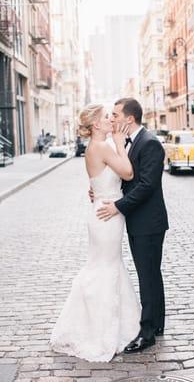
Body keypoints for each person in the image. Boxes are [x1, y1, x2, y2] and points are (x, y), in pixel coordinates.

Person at [50, 104, 140, 362]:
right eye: (106, 117)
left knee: (107, 265)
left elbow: (102, 181)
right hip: (106, 215)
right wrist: (120, 143)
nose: (111, 119)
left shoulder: (99, 147)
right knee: (105, 267)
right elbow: (127, 172)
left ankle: (115, 323)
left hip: (105, 209)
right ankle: (100, 331)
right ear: (96, 125)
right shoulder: (102, 146)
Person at [96, 98, 169, 353]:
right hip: (140, 220)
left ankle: (147, 333)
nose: (113, 118)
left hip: (148, 221)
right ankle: (157, 323)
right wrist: (101, 190)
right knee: (151, 274)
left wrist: (118, 206)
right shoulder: (130, 141)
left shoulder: (150, 143)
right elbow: (125, 177)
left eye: (116, 114)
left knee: (147, 276)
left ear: (130, 119)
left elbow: (146, 185)